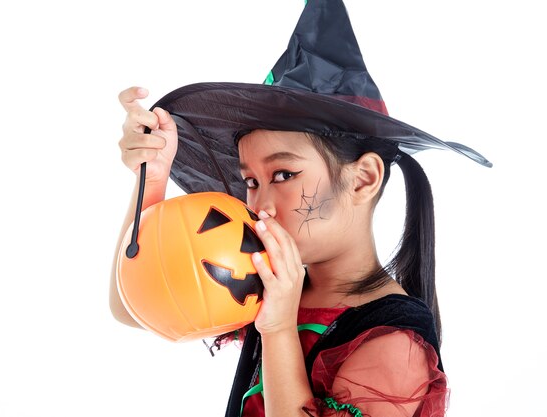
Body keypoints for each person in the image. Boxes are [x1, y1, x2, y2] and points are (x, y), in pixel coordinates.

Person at [109, 1, 491, 416]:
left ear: (363, 178)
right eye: (250, 182)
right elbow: (133, 306)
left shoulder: (392, 342)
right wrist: (153, 178)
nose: (258, 206)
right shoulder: (271, 286)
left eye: (284, 175)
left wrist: (277, 329)